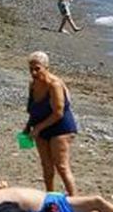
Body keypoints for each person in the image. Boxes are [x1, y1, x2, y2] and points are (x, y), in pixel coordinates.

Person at [25, 51, 78, 194]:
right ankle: (50, 198)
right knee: (46, 167)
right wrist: (28, 127)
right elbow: (33, 108)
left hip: (61, 127)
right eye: (31, 69)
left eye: (37, 69)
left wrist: (37, 129)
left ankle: (75, 200)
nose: (34, 73)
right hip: (40, 127)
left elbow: (58, 113)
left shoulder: (54, 85)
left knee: (61, 166)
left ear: (46, 67)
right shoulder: (33, 84)